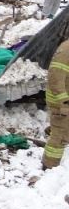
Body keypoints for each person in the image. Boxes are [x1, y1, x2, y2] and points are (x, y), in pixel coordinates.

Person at [44, 38, 69, 168]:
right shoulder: (66, 49)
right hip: (62, 102)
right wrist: (64, 102)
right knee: (60, 137)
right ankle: (49, 167)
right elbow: (55, 77)